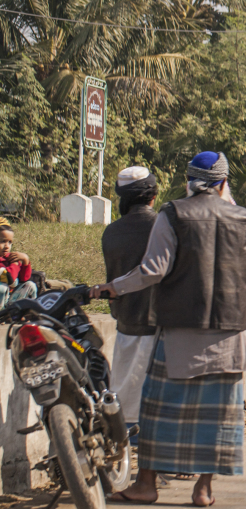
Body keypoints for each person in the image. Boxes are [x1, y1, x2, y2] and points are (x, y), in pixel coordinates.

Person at [91, 152, 246, 507]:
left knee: (156, 409)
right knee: (218, 416)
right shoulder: (244, 218)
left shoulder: (172, 214)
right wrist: (239, 324)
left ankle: (146, 485)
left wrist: (115, 286)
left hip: (178, 334)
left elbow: (153, 270)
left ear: (189, 181)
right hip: (230, 336)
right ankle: (204, 489)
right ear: (223, 183)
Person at [102, 167, 159, 430]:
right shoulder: (163, 226)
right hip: (160, 324)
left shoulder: (111, 232)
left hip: (126, 322)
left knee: (124, 396)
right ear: (153, 196)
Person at [0, 218, 37, 307]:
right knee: (2, 287)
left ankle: (26, 312)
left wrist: (25, 261)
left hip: (10, 299)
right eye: (2, 241)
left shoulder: (10, 258)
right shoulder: (12, 262)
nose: (7, 246)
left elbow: (24, 279)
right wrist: (15, 264)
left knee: (30, 285)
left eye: (10, 242)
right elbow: (10, 278)